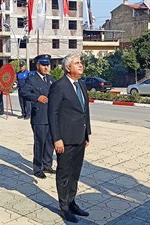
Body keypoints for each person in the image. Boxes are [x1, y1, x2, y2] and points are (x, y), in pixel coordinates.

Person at [48, 53, 91, 223]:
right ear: (68, 68)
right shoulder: (59, 86)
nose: (81, 65)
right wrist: (56, 138)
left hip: (80, 137)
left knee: (75, 173)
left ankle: (72, 202)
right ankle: (64, 207)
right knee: (64, 173)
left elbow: (84, 110)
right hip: (64, 139)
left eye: (81, 63)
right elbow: (53, 114)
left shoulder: (81, 84)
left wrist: (87, 133)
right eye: (77, 63)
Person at [21, 54, 56, 179]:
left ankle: (47, 164)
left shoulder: (51, 79)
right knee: (39, 142)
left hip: (50, 116)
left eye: (48, 65)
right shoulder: (32, 79)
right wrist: (36, 98)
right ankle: (37, 168)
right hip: (39, 116)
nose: (46, 67)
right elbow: (23, 92)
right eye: (44, 65)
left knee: (49, 142)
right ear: (37, 65)